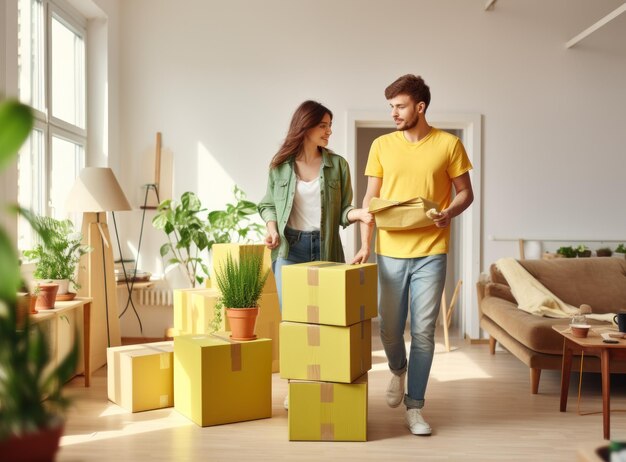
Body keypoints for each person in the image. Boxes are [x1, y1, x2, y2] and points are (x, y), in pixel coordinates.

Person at [352, 75, 474, 436]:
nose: (394, 113)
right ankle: (398, 370)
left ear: (420, 107)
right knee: (390, 329)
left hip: (431, 252)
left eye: (400, 106)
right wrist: (363, 243)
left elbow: (466, 192)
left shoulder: (449, 145)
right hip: (389, 251)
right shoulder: (381, 146)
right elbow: (369, 201)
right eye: (391, 106)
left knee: (423, 332)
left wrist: (448, 212)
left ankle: (415, 407)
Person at [258, 100, 372, 309]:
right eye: (323, 125)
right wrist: (273, 230)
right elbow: (268, 205)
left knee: (328, 316)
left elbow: (343, 210)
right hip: (290, 250)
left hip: (326, 247)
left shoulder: (338, 165)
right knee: (293, 317)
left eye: (330, 126)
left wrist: (359, 214)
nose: (329, 131)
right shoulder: (280, 166)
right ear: (305, 125)